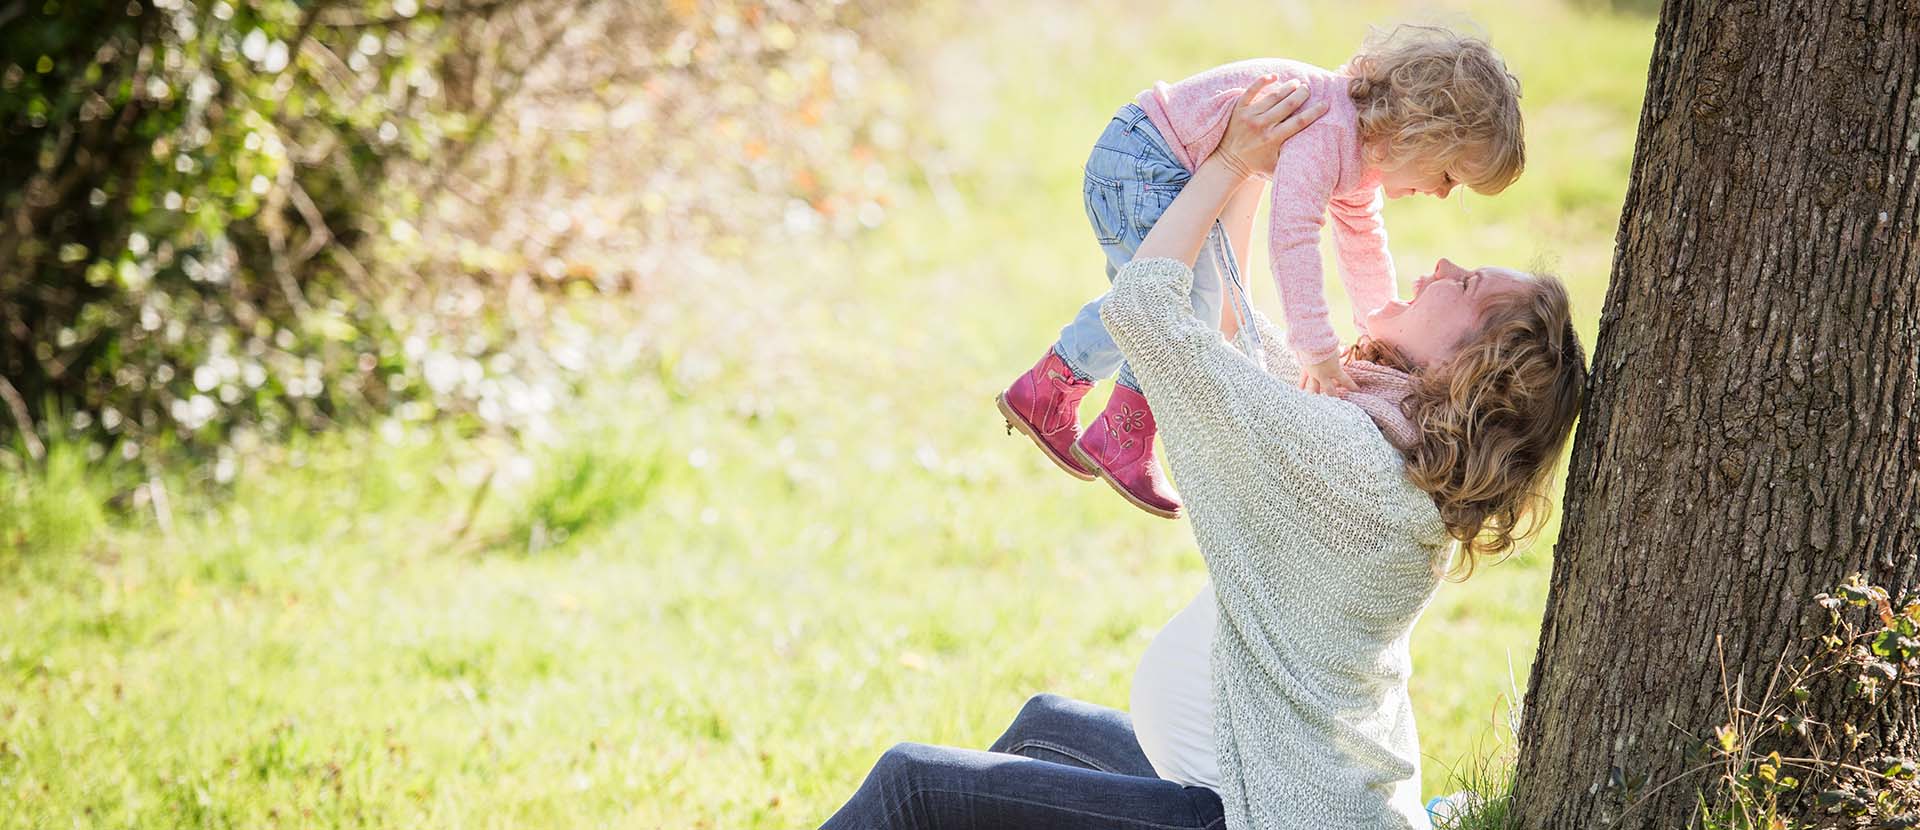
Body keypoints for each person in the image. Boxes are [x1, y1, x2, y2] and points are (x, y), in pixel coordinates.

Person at [823, 74, 1584, 830]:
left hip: (1261, 818)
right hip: (1247, 777)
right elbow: (1239, 341)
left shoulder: (1353, 463)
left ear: (1468, 369)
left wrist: (1221, 164)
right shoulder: (1385, 438)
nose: (1441, 268)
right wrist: (1256, 170)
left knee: (912, 789)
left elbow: (1147, 313)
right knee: (1044, 726)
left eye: (1467, 285)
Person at [997, 24, 1525, 519]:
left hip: (1153, 160)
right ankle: (1119, 430)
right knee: (1173, 303)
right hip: (1143, 161)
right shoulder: (1330, 130)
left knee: (1171, 298)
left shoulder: (1360, 153)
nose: (1439, 193)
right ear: (1418, 132)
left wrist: (1376, 327)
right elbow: (1292, 237)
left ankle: (1051, 391)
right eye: (1449, 175)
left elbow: (1363, 243)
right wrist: (1316, 349)